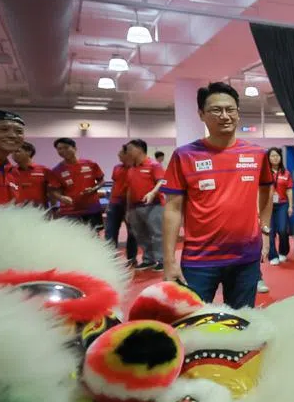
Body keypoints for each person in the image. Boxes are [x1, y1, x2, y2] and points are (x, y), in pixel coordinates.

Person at [161, 82, 274, 307]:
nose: (224, 116)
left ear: (238, 113)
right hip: (199, 260)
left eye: (230, 109)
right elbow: (172, 209)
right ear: (201, 115)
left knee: (241, 320)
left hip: (246, 258)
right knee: (193, 320)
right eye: (216, 110)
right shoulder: (184, 155)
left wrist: (265, 230)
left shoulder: (257, 154)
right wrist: (169, 260)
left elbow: (267, 189)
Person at [123, 139, 165, 271]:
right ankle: (148, 259)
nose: (128, 152)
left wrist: (152, 193)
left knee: (157, 233)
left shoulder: (154, 165)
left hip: (154, 206)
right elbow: (129, 189)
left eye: (130, 149)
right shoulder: (131, 169)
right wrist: (128, 210)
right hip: (135, 207)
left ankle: (162, 260)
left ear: (140, 149)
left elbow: (161, 181)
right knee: (141, 235)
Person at [48, 137, 105, 228]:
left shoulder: (91, 164)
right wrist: (61, 198)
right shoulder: (56, 170)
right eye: (59, 149)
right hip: (70, 211)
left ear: (75, 148)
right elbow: (54, 191)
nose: (63, 151)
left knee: (94, 234)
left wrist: (94, 189)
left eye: (66, 147)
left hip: (92, 208)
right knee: (73, 236)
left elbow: (101, 181)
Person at [103, 148, 137, 265]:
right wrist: (109, 203)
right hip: (115, 203)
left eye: (121, 153)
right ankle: (110, 259)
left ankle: (132, 259)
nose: (118, 154)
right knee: (110, 231)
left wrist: (129, 209)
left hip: (131, 204)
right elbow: (114, 185)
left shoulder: (135, 168)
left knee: (132, 233)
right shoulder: (116, 168)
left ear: (128, 154)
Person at [265, 147, 293, 265]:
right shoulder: (264, 173)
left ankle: (283, 252)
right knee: (270, 232)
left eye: (277, 155)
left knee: (282, 230)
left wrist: (290, 206)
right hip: (268, 206)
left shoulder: (286, 173)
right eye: (272, 156)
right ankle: (273, 256)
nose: (275, 158)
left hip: (282, 204)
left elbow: (289, 190)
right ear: (268, 158)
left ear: (280, 157)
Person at [9, 142, 49, 208]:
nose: (13, 154)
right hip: (15, 211)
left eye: (17, 151)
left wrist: (54, 208)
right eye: (12, 152)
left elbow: (52, 192)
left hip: (39, 211)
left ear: (29, 152)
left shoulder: (44, 170)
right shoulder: (9, 172)